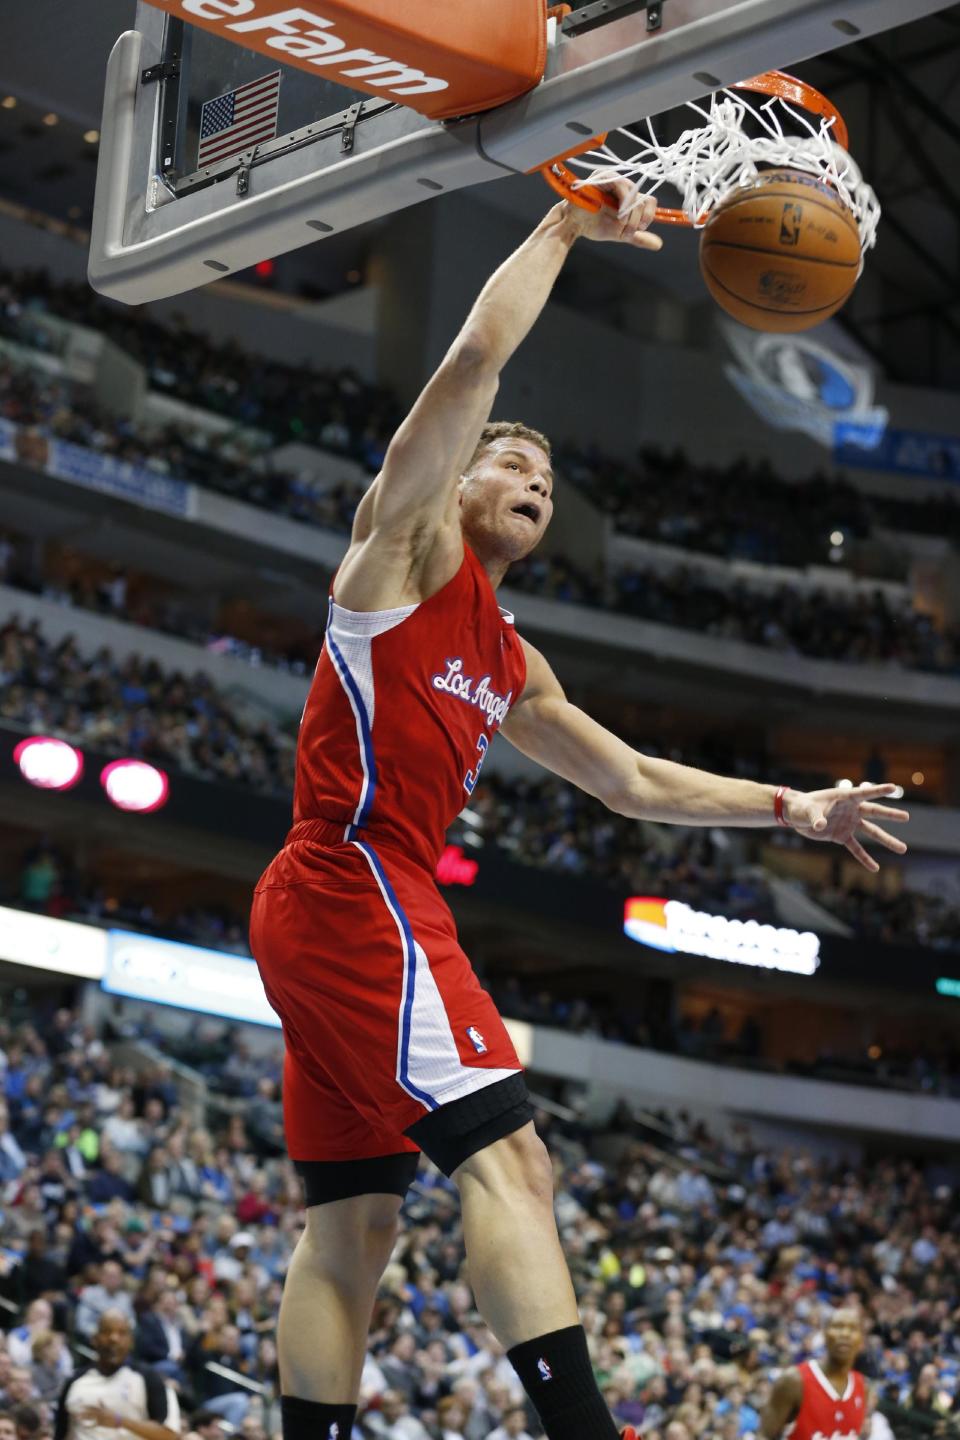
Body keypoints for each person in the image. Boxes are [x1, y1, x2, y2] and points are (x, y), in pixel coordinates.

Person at [249, 181, 909, 1440]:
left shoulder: (511, 660)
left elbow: (636, 782)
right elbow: (478, 358)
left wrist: (794, 806)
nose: (532, 469)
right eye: (510, 455)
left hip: (335, 909)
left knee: (354, 1223)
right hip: (353, 883)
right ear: (455, 479)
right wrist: (559, 229)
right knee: (518, 1163)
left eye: (547, 471)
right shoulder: (401, 550)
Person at [53, 1312, 179, 1440]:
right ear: (94, 1339)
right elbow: (60, 1433)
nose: (114, 1338)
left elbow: (169, 1436)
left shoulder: (148, 1378)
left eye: (122, 1333)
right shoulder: (74, 1381)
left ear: (131, 1341)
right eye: (106, 1332)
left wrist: (120, 1421)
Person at [761, 1308, 868, 1438]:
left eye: (853, 1329)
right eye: (837, 1327)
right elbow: (763, 1435)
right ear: (824, 1334)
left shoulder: (863, 1387)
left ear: (861, 1339)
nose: (845, 1334)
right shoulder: (794, 1380)